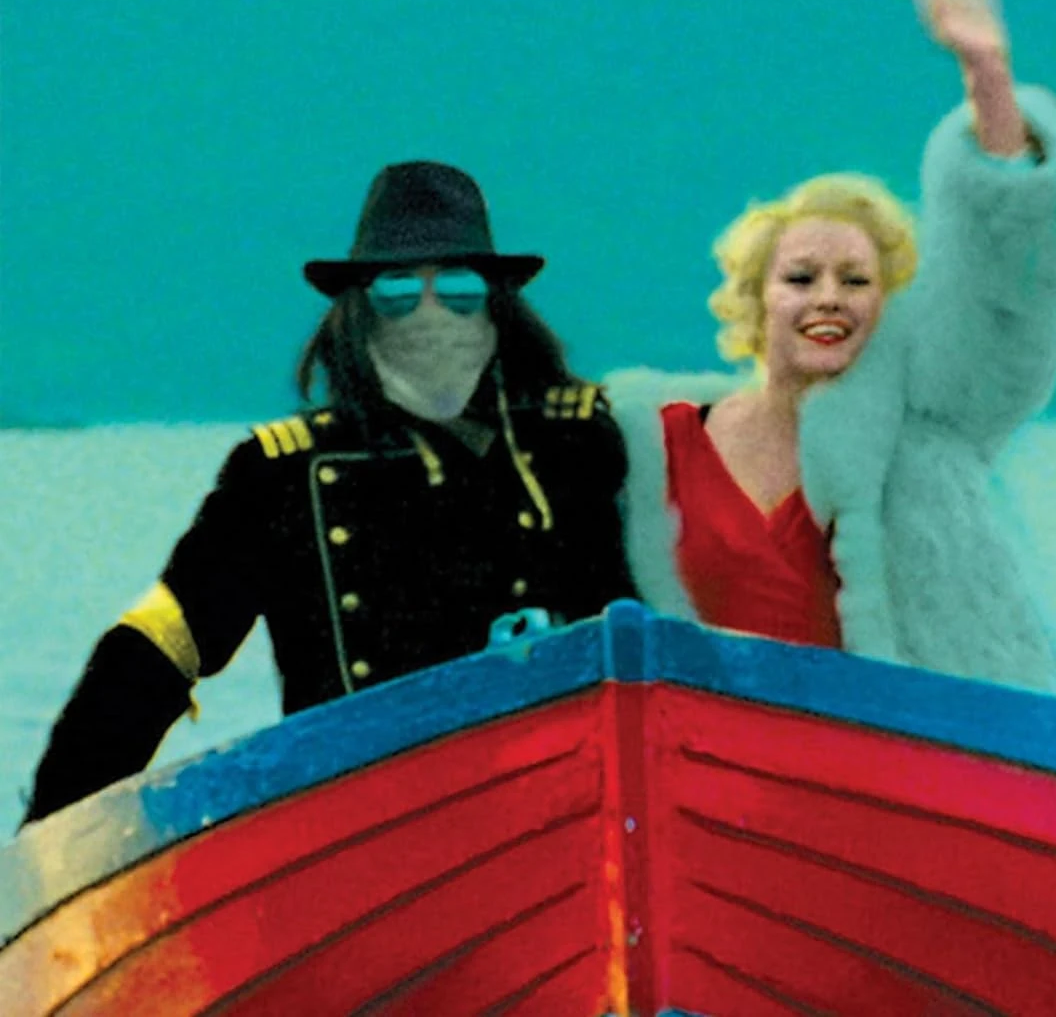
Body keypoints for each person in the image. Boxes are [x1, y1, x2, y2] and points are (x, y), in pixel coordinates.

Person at [22, 162, 636, 823]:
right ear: (359, 310)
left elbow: (681, 601)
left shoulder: (582, 442)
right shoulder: (280, 474)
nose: (430, 312)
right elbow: (162, 644)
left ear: (497, 303)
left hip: (567, 795)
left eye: (458, 286)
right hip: (359, 819)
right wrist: (54, 833)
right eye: (398, 289)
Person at [605, 0, 1056, 692]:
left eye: (856, 281)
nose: (828, 297)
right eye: (801, 278)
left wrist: (987, 75)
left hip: (898, 750)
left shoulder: (927, 427)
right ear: (756, 297)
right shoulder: (648, 440)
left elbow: (1006, 285)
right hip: (695, 743)